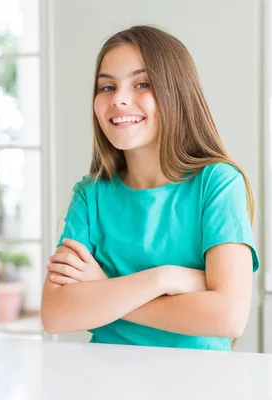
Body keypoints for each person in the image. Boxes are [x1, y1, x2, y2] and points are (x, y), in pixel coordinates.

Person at [41, 25, 260, 351]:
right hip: (104, 378)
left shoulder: (217, 183)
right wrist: (166, 279)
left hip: (200, 382)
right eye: (107, 87)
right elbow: (56, 314)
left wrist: (105, 291)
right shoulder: (90, 196)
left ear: (178, 93)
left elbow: (228, 316)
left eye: (142, 83)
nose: (119, 99)